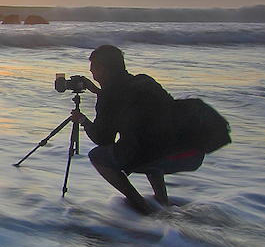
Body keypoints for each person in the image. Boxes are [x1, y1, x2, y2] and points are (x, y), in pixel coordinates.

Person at [70, 44, 203, 215]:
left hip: (160, 155)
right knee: (147, 143)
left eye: (93, 71)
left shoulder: (110, 97)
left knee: (98, 156)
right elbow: (125, 97)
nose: (93, 75)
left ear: (101, 69)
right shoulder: (145, 81)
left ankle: (143, 208)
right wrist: (99, 92)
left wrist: (82, 120)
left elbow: (103, 139)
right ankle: (163, 203)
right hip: (191, 152)